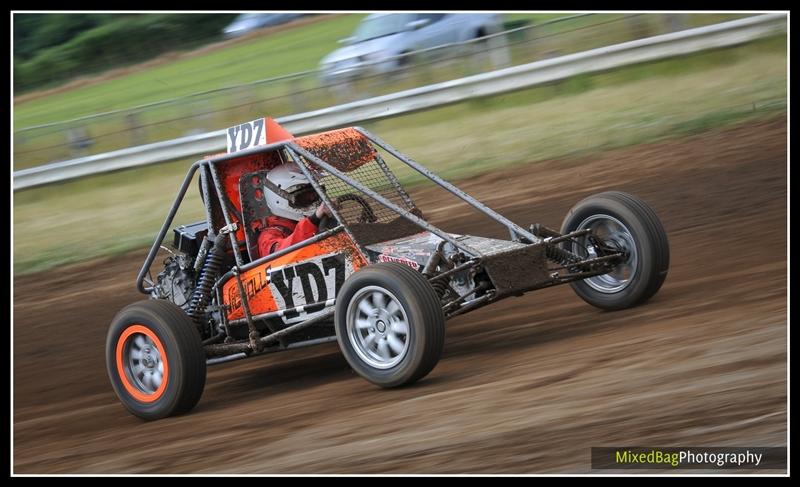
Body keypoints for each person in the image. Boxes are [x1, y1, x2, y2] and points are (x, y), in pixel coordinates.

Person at [257, 163, 332, 258]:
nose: (313, 200)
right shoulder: (268, 235)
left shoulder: (307, 221)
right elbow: (280, 255)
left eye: (314, 194)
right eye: (305, 197)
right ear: (279, 200)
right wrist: (313, 219)